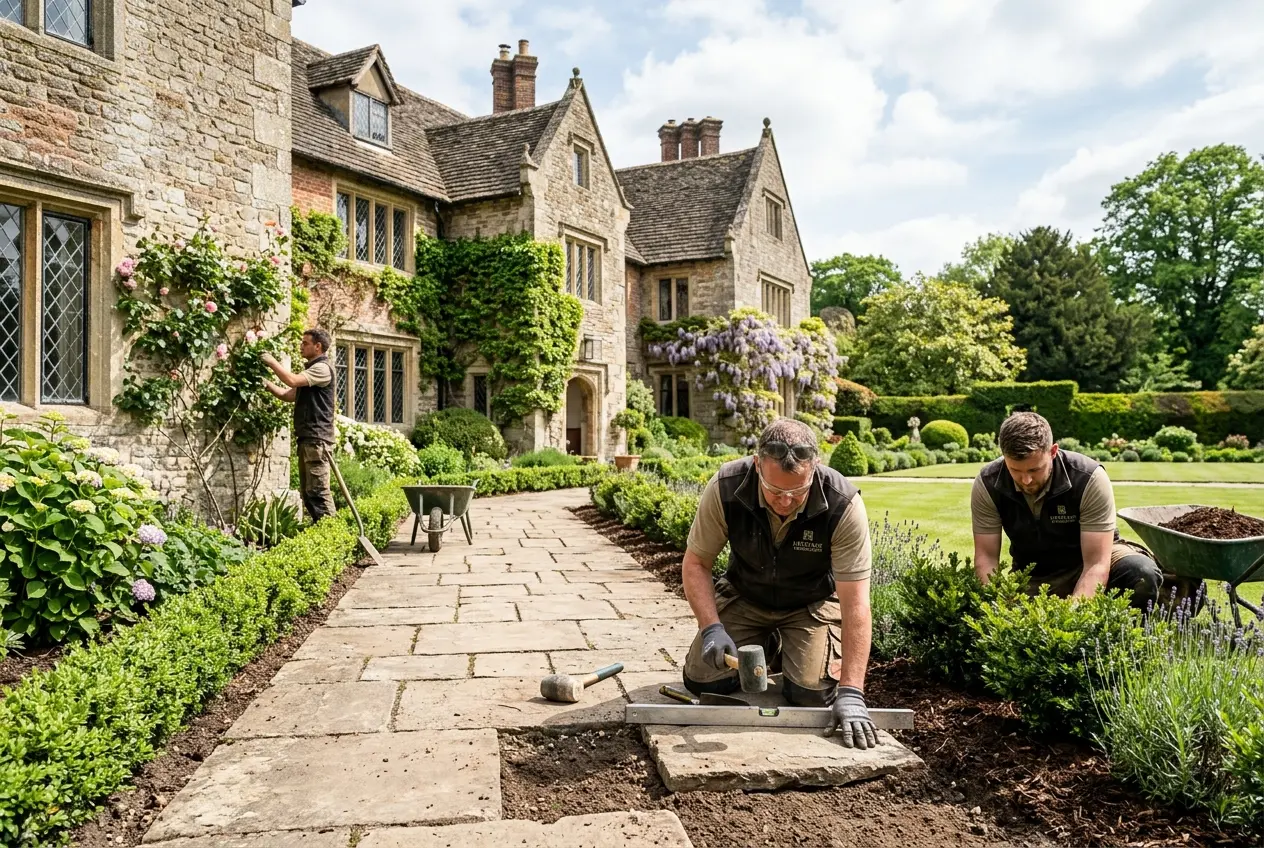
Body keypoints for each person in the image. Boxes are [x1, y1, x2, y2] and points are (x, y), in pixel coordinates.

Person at [680, 417, 879, 749]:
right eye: (774, 490)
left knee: (812, 694)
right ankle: (766, 645)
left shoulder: (842, 503)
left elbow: (856, 603)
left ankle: (790, 648)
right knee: (702, 681)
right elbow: (696, 563)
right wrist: (712, 627)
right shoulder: (727, 487)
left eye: (797, 491)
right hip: (746, 595)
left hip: (809, 604)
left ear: (815, 468)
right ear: (757, 465)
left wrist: (852, 692)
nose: (785, 501)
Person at [971, 411, 1162, 608]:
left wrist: (1070, 618)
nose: (1026, 480)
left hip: (1095, 556)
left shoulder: (1088, 478)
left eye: (1034, 470)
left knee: (1141, 573)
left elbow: (1096, 564)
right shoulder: (988, 483)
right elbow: (986, 558)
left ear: (1053, 452)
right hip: (1036, 571)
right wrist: (998, 609)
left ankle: (1125, 636)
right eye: (1015, 471)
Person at [261, 328, 337, 523]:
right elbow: (289, 395)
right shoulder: (312, 371)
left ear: (318, 346)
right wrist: (267, 384)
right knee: (308, 493)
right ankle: (322, 532)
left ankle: (333, 534)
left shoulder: (322, 368)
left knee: (318, 492)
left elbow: (291, 380)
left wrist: (271, 362)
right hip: (308, 439)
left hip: (317, 440)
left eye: (305, 343)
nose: (301, 346)